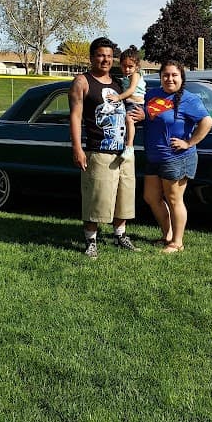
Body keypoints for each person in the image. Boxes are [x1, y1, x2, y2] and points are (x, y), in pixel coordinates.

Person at [69, 37, 142, 258]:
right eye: (101, 55)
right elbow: (75, 116)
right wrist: (77, 148)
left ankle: (121, 235)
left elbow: (135, 103)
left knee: (124, 197)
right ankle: (91, 240)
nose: (105, 60)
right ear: (92, 57)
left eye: (109, 56)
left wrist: (143, 114)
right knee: (96, 199)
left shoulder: (120, 82)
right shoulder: (83, 81)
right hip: (98, 151)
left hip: (124, 152)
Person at [142, 59, 212, 254]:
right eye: (166, 75)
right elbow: (143, 114)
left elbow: (207, 122)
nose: (169, 79)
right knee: (151, 197)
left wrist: (189, 143)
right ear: (160, 77)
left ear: (182, 78)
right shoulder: (152, 95)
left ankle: (177, 242)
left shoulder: (189, 99)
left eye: (174, 75)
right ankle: (167, 235)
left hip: (177, 157)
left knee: (174, 199)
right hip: (154, 157)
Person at [106, 47, 146, 161]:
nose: (127, 69)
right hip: (129, 103)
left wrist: (118, 97)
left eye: (130, 66)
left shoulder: (135, 75)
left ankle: (129, 146)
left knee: (129, 119)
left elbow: (131, 90)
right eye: (124, 66)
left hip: (136, 104)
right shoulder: (125, 78)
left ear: (137, 66)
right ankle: (123, 143)